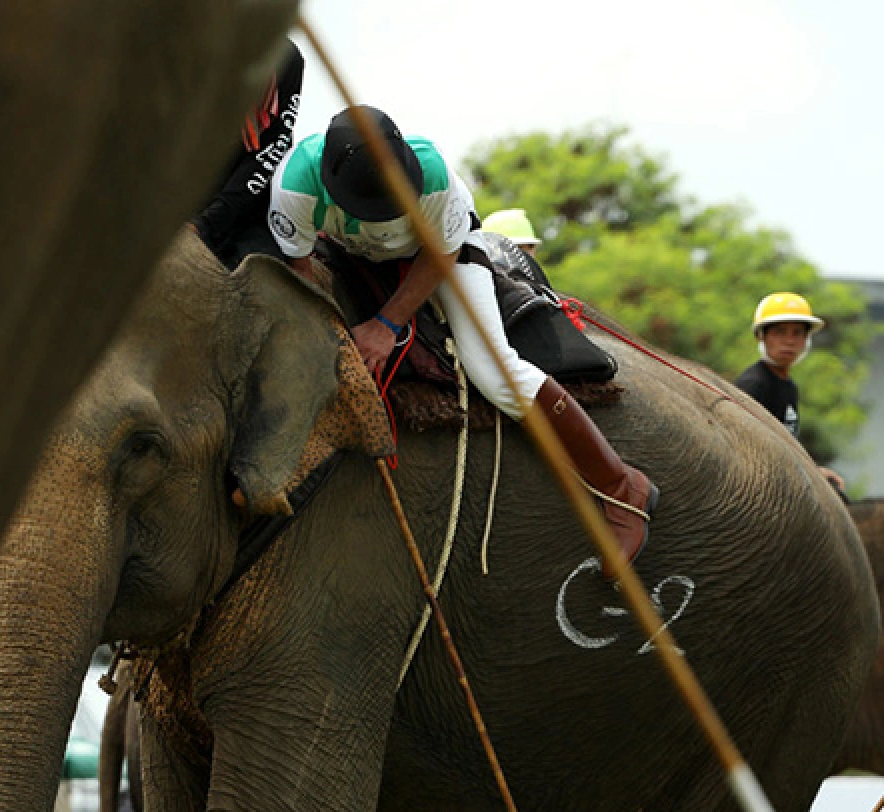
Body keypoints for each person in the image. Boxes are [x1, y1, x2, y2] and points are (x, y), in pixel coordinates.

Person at [267, 108, 657, 560]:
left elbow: (441, 253)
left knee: (492, 371)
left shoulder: (432, 174)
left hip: (437, 254)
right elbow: (301, 275)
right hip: (349, 253)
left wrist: (386, 324)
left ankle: (622, 485)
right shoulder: (292, 186)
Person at [191, 38, 304, 269]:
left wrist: (204, 225)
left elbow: (267, 156)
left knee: (263, 288)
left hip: (247, 209)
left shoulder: (288, 59)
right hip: (186, 193)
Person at [735, 292, 824, 443]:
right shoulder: (753, 385)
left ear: (806, 339)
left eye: (797, 333)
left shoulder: (789, 387)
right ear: (761, 336)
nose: (789, 341)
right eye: (779, 332)